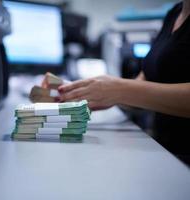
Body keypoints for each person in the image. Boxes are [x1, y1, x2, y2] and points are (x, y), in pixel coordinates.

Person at [57, 1, 190, 163]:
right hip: (167, 153)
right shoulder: (175, 13)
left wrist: (118, 90)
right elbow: (145, 83)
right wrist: (99, 93)